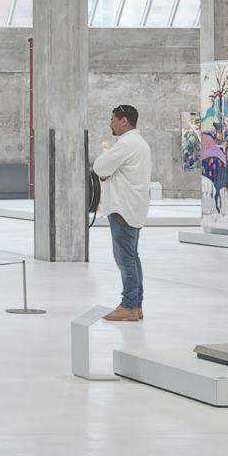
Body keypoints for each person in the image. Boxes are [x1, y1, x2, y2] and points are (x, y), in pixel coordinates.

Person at [92, 104, 152, 321]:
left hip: (122, 208)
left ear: (124, 121)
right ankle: (136, 305)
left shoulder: (126, 144)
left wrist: (108, 172)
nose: (111, 124)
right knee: (132, 257)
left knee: (125, 259)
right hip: (134, 207)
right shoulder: (141, 144)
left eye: (113, 120)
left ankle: (128, 305)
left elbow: (100, 166)